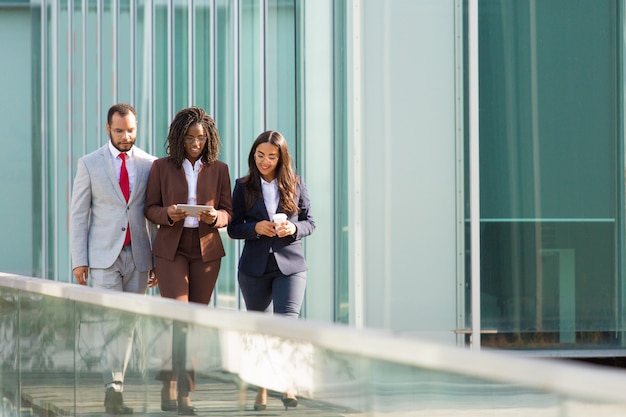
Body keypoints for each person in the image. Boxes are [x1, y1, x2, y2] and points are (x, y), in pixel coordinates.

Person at [144, 106, 233, 415]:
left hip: (206, 251)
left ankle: (183, 390)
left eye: (201, 138)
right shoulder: (161, 167)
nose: (196, 144)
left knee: (193, 322)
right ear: (178, 138)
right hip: (172, 249)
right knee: (177, 319)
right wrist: (168, 213)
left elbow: (228, 212)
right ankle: (173, 387)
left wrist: (216, 216)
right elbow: (150, 208)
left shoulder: (219, 169)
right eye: (190, 138)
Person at [69, 103, 157, 414]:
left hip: (139, 255)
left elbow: (153, 215)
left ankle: (117, 385)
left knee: (128, 322)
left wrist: (156, 260)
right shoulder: (89, 164)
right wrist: (79, 259)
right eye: (119, 131)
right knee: (111, 320)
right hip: (103, 256)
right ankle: (113, 387)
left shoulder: (150, 164)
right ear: (108, 129)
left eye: (130, 130)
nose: (125, 136)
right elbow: (79, 214)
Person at [227, 130, 315, 411]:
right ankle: (262, 387)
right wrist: (255, 229)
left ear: (281, 157)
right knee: (260, 329)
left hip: (290, 266)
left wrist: (293, 228)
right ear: (254, 155)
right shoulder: (242, 186)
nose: (265, 161)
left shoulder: (295, 183)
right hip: (253, 269)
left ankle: (288, 383)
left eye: (272, 156)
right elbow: (232, 228)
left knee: (286, 326)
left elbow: (310, 222)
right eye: (260, 155)